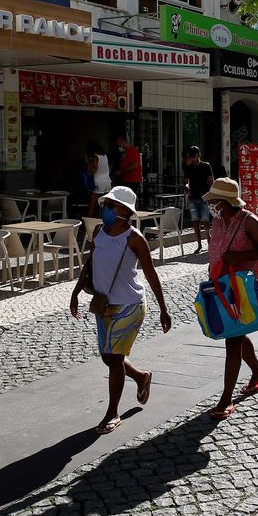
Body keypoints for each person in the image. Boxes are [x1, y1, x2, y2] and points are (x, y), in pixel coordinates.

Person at [70, 186, 171, 434]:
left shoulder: (134, 238)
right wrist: (75, 292)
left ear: (125, 211)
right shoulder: (99, 232)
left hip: (130, 305)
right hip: (104, 304)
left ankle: (112, 412)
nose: (106, 209)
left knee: (114, 357)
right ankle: (140, 376)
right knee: (107, 356)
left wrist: (163, 309)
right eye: (106, 205)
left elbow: (150, 273)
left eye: (111, 206)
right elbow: (90, 264)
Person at [202, 178, 258, 420]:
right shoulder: (218, 221)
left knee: (232, 339)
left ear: (224, 203)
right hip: (221, 286)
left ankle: (226, 399)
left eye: (213, 201)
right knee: (237, 333)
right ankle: (257, 371)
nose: (210, 204)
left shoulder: (249, 221)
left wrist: (238, 256)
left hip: (242, 290)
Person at [183, 146, 214, 253]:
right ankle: (199, 244)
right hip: (192, 197)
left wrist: (210, 194)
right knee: (195, 221)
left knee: (205, 221)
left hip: (204, 197)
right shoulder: (189, 167)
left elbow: (210, 180)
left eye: (193, 156)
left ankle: (209, 240)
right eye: (190, 156)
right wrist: (186, 186)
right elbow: (186, 180)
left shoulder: (206, 166)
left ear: (197, 155)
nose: (191, 159)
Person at [87, 141, 113, 217]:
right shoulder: (105, 156)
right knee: (107, 204)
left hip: (98, 182)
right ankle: (108, 219)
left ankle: (89, 220)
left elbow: (94, 170)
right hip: (107, 181)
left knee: (93, 204)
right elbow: (109, 169)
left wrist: (89, 165)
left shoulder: (95, 157)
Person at [114, 135, 142, 205]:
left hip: (132, 181)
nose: (119, 147)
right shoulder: (126, 152)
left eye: (119, 145)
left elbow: (135, 165)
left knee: (128, 200)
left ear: (123, 142)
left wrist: (121, 171)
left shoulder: (132, 151)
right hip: (127, 180)